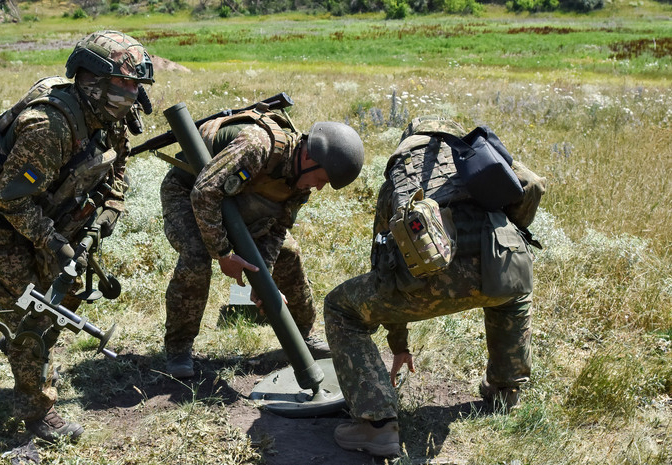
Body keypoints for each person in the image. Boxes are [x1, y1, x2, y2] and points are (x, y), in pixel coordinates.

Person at [0, 30, 154, 442]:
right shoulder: (49, 127)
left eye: (135, 84)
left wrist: (110, 208)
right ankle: (36, 416)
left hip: (55, 217)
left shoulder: (110, 114)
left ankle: (30, 361)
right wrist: (53, 241)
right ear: (93, 80)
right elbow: (9, 202)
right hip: (3, 229)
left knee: (62, 301)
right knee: (31, 316)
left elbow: (118, 164)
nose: (131, 92)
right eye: (123, 82)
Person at [324, 115, 537, 457]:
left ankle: (376, 425)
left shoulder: (399, 176)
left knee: (340, 307)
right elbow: (531, 185)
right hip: (498, 269)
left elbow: (385, 265)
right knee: (513, 290)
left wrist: (399, 344)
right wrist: (511, 240)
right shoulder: (479, 156)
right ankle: (505, 392)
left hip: (431, 280)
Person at [159, 106, 365, 378]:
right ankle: (178, 347)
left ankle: (303, 335)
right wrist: (223, 253)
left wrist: (263, 279)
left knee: (288, 253)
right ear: (308, 156)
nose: (318, 187)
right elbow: (205, 192)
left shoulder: (299, 179)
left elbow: (278, 228)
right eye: (322, 179)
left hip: (238, 201)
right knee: (197, 255)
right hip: (187, 193)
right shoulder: (259, 145)